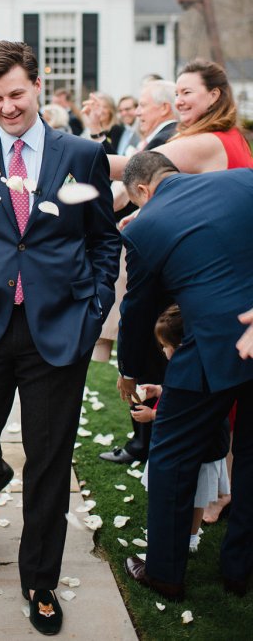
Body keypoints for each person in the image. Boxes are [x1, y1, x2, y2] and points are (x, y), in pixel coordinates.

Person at [0, 41, 121, 636]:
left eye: (15, 94)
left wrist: (92, 311)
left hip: (57, 331)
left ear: (38, 85)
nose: (7, 108)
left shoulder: (83, 154)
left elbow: (103, 239)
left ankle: (40, 580)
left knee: (49, 459)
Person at [116, 152, 253, 600]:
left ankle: (165, 573)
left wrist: (132, 370)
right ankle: (239, 570)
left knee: (172, 454)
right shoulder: (241, 181)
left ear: (141, 191)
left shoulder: (142, 225)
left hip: (211, 346)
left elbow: (138, 310)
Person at [98, 80, 178, 465]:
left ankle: (145, 439)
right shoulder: (156, 136)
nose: (139, 111)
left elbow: (139, 186)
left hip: (153, 261)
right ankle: (143, 436)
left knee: (147, 345)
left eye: (144, 104)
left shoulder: (169, 139)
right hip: (143, 245)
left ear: (164, 108)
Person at [136, 305, 230, 554]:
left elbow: (185, 409)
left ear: (180, 346)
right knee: (182, 493)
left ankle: (190, 537)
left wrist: (152, 415)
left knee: (197, 496)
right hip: (197, 444)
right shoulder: (193, 364)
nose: (163, 351)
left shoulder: (196, 370)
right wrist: (158, 389)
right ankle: (175, 531)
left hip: (202, 447)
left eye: (165, 346)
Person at [105, 59, 253, 179]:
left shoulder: (208, 142)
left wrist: (84, 154)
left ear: (213, 95)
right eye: (176, 94)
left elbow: (135, 166)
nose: (178, 102)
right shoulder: (233, 135)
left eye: (186, 93)